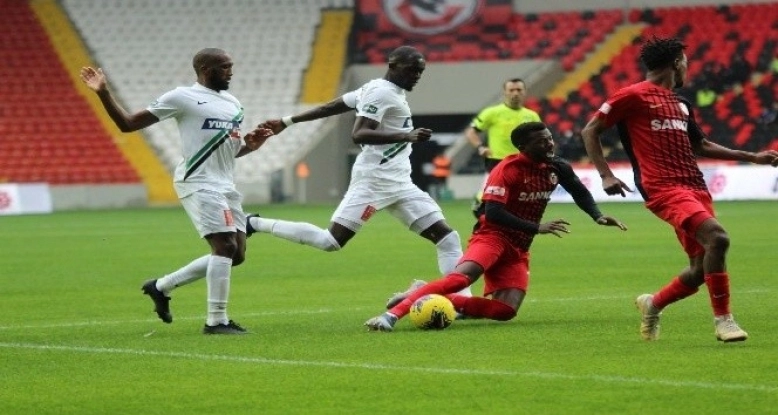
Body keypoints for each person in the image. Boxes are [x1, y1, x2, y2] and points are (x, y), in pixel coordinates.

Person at [580, 36, 778, 343]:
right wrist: (605, 175)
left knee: (700, 270)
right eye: (686, 62)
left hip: (694, 185)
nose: (688, 67)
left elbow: (700, 144)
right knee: (718, 238)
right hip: (662, 187)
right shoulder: (632, 95)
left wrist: (752, 157)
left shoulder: (681, 104)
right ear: (677, 63)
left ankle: (653, 303)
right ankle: (724, 321)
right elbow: (590, 130)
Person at [247, 45, 471, 299]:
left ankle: (463, 302)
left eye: (420, 72)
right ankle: (254, 223)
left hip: (400, 183)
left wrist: (288, 121)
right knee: (330, 242)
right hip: (374, 181)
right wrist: (406, 135)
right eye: (411, 71)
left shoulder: (378, 89)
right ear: (393, 66)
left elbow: (333, 106)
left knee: (448, 238)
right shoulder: (381, 94)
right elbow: (359, 133)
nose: (416, 76)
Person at [80, 48, 274, 335]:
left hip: (225, 184)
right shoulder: (181, 97)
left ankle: (161, 287)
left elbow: (226, 151)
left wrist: (249, 146)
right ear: (206, 70)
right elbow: (128, 124)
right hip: (198, 181)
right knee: (225, 247)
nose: (231, 72)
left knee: (237, 255)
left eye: (231, 66)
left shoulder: (233, 104)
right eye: (225, 67)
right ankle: (216, 321)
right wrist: (103, 92)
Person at [364, 122, 627, 331]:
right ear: (523, 146)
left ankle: (418, 295)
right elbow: (494, 213)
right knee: (459, 279)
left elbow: (578, 190)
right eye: (542, 141)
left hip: (519, 246)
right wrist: (536, 227)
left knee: (505, 312)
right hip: (492, 236)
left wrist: (597, 216)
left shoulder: (556, 165)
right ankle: (392, 315)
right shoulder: (507, 169)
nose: (549, 143)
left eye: (549, 137)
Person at [464, 78, 541, 212]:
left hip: (522, 164)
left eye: (519, 90)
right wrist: (480, 147)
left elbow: (541, 139)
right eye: (511, 90)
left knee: (518, 205)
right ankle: (484, 225)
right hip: (497, 163)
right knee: (483, 203)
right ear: (504, 92)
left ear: (525, 92)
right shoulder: (492, 113)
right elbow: (471, 132)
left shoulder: (532, 116)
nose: (515, 93)